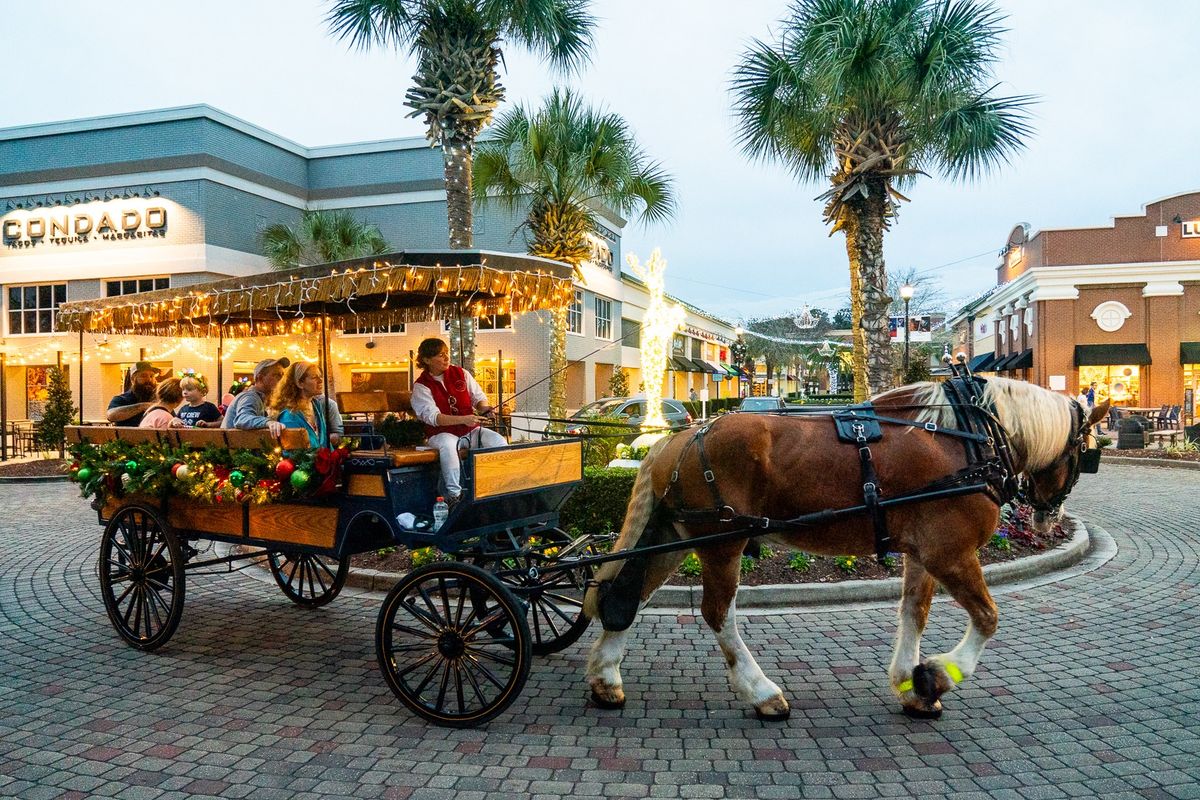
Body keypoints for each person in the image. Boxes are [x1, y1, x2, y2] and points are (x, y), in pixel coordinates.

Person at [411, 337, 505, 505]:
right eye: (441, 355)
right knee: (449, 446)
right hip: (441, 434)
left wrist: (485, 408)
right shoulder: (421, 387)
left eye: (446, 353)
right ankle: (455, 496)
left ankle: (498, 486)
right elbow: (434, 418)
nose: (447, 358)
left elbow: (479, 398)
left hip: (469, 430)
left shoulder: (461, 373)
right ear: (426, 360)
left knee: (498, 441)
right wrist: (464, 419)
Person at [268, 361, 344, 448]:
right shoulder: (289, 415)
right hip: (302, 460)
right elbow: (297, 454)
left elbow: (326, 442)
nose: (320, 381)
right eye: (314, 377)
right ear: (300, 383)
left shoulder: (317, 405)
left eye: (320, 377)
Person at [222, 357, 289, 436]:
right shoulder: (250, 397)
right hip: (232, 447)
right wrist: (269, 422)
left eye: (282, 375)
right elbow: (242, 419)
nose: (281, 379)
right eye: (276, 375)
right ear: (260, 378)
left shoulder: (262, 398)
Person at [106, 361, 158, 427]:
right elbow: (111, 416)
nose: (149, 379)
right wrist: (143, 406)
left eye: (152, 376)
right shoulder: (121, 399)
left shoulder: (159, 399)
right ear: (133, 379)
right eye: (143, 376)